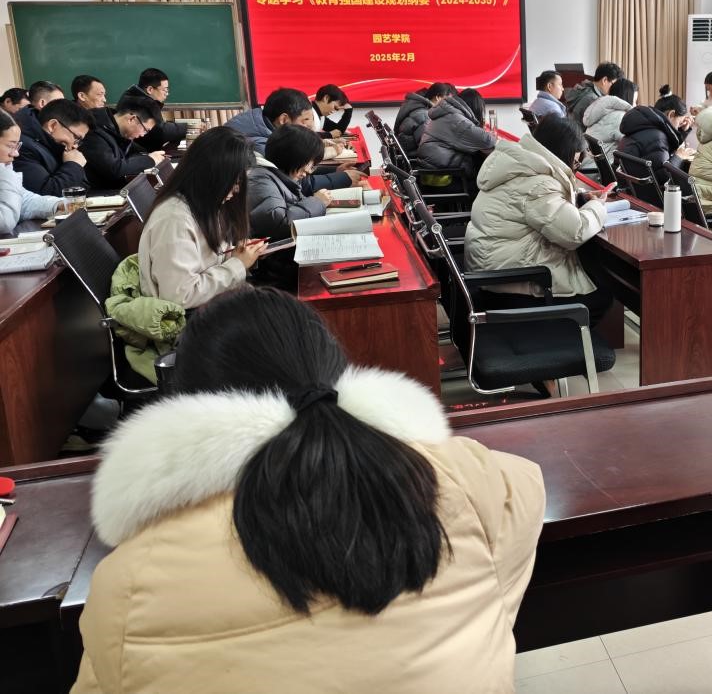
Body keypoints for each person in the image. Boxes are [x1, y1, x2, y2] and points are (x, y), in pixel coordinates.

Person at [73, 286, 545, 694]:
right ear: (337, 368)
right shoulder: (464, 480)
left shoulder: (128, 585)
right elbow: (526, 489)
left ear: (188, 399)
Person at [466, 115, 614, 324]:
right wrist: (598, 206)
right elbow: (575, 232)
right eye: (576, 161)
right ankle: (561, 339)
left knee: (592, 270)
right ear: (564, 152)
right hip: (513, 285)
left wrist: (580, 199)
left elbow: (540, 208)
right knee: (602, 296)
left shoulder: (520, 164)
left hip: (493, 272)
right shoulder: (538, 184)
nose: (576, 166)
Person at [138, 126, 262, 309]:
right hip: (191, 318)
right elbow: (180, 296)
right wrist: (237, 265)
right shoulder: (174, 220)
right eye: (234, 182)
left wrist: (237, 255)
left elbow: (209, 262)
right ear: (211, 176)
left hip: (210, 306)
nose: (237, 190)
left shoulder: (204, 203)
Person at [227, 88, 361, 194]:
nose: (309, 128)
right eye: (305, 121)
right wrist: (343, 178)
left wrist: (335, 170)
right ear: (284, 120)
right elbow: (293, 181)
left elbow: (293, 168)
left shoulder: (260, 122)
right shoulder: (259, 144)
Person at [249, 124, 330, 288]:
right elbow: (279, 223)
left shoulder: (278, 176)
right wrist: (317, 202)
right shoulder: (261, 178)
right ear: (294, 156)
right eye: (310, 163)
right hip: (272, 272)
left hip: (282, 262)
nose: (309, 171)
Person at [80, 95, 166, 191]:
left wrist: (149, 156)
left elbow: (138, 152)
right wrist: (150, 160)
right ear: (132, 119)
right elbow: (114, 169)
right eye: (145, 130)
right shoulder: (93, 130)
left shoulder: (117, 130)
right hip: (97, 193)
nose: (143, 135)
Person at [12, 98, 92, 195]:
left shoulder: (56, 146)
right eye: (76, 137)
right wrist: (74, 165)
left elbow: (82, 188)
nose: (75, 145)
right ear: (53, 125)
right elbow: (45, 193)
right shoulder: (21, 147)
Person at [0, 111, 62, 231]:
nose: (15, 153)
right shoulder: (4, 172)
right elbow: (5, 222)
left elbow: (23, 201)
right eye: (11, 146)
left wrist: (60, 204)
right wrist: (6, 173)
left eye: (17, 146)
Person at [417, 90, 495, 182]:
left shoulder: (448, 114)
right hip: (445, 178)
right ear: (475, 108)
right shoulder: (457, 120)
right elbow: (488, 141)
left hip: (432, 174)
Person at [617, 85, 695, 172]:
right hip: (642, 180)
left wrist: (682, 132)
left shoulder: (645, 127)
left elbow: (665, 151)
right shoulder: (658, 138)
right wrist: (679, 157)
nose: (679, 127)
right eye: (680, 123)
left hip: (628, 177)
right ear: (671, 114)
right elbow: (664, 176)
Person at [121, 68, 188, 152]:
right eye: (164, 90)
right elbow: (161, 132)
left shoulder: (131, 95)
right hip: (140, 152)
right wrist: (190, 127)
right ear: (150, 89)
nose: (167, 94)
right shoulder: (145, 102)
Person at [581, 77, 637, 155]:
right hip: (604, 162)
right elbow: (633, 146)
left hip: (589, 161)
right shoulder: (619, 117)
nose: (635, 105)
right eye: (634, 101)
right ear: (627, 100)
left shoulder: (601, 112)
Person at [395, 83, 454, 157]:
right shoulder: (424, 116)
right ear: (438, 97)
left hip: (411, 153)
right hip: (415, 158)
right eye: (448, 101)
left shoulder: (418, 108)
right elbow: (428, 148)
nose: (449, 105)